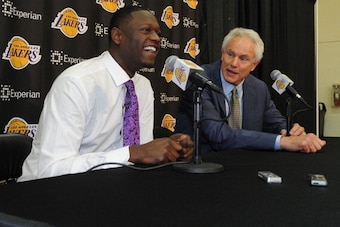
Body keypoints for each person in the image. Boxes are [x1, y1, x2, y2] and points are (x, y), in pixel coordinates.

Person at [18, 6, 193, 181]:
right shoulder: (77, 82)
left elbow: (141, 155)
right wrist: (132, 154)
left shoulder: (143, 86)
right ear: (117, 36)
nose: (156, 38)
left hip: (110, 187)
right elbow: (50, 169)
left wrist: (170, 149)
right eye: (146, 30)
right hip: (46, 192)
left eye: (158, 33)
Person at [175, 27, 326, 154]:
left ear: (254, 64)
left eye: (243, 58)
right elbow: (218, 134)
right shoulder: (198, 80)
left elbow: (275, 122)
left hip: (244, 168)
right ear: (222, 53)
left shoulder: (259, 88)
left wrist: (290, 131)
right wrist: (283, 142)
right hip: (203, 167)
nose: (234, 63)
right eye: (230, 54)